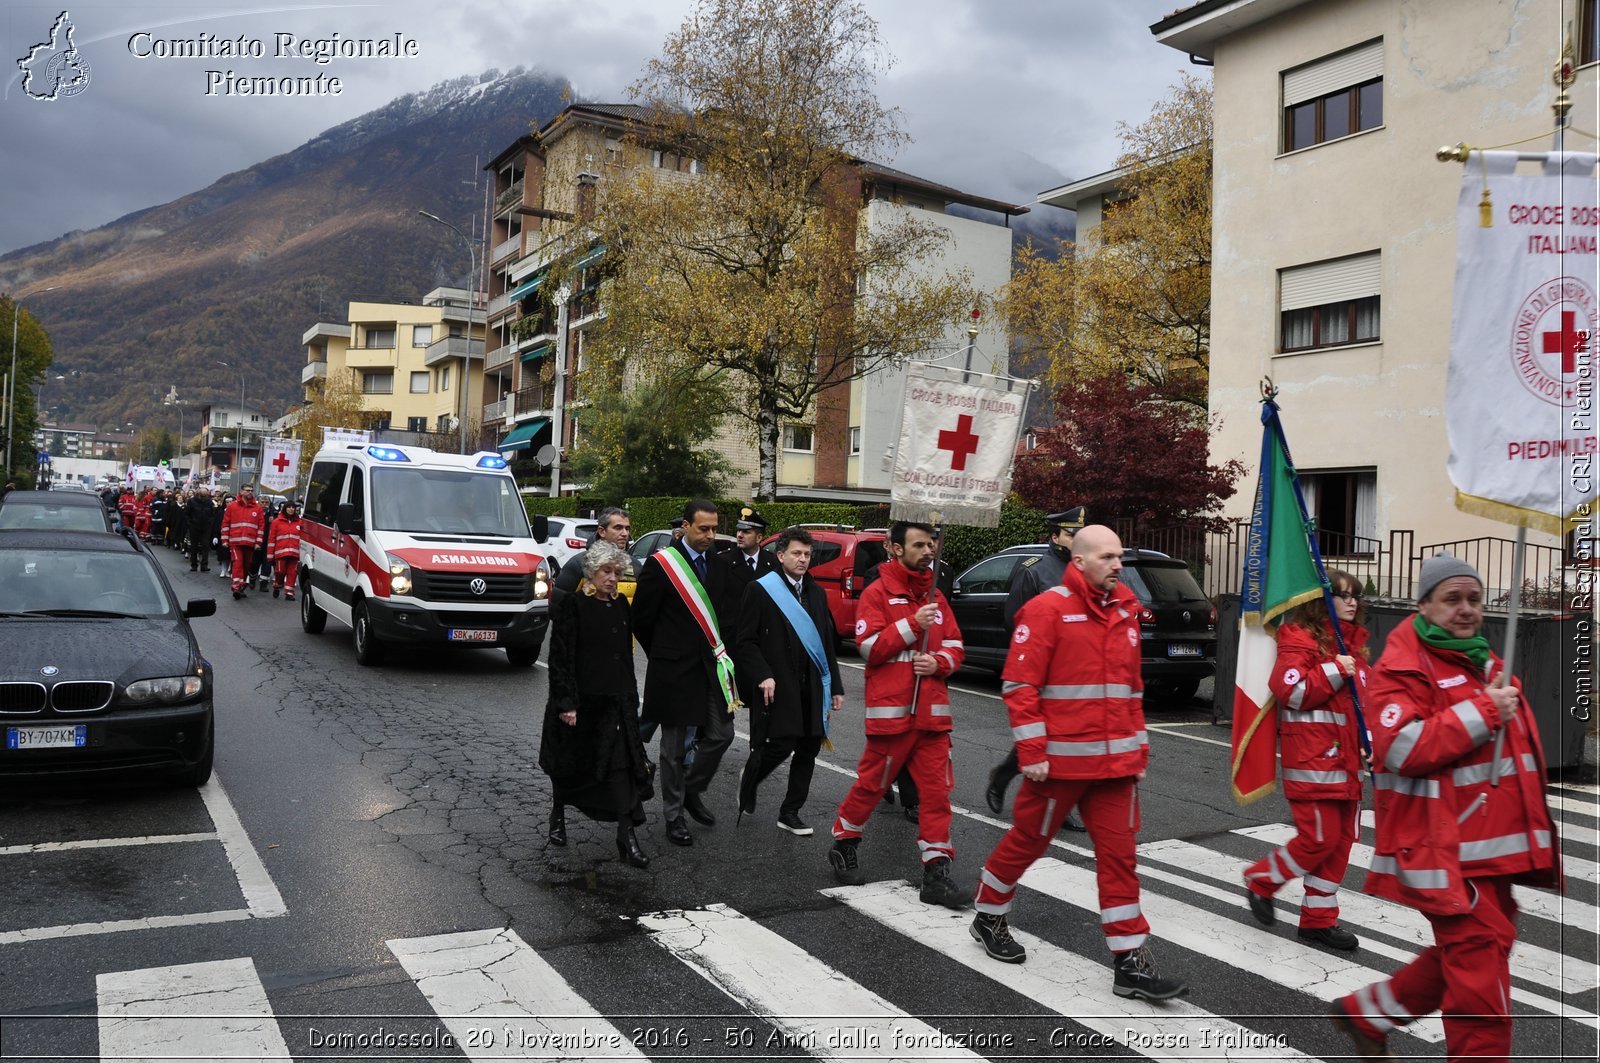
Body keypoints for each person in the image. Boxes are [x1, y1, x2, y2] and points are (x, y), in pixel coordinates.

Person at [1330, 553, 1560, 1062]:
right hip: (1444, 855)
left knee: (1477, 951)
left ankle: (1371, 1013)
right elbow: (1400, 749)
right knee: (1480, 987)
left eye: (1474, 600)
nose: (1465, 610)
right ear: (1424, 605)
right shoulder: (1402, 666)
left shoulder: (1482, 662)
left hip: (1489, 854)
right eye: (1452, 599)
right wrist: (1482, 712)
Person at [970, 525, 1189, 1002]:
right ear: (1080, 560)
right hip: (1060, 769)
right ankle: (988, 914)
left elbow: (1131, 691)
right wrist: (1032, 753)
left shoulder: (1126, 611)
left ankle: (1129, 961)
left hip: (1114, 770)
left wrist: (1138, 753)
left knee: (1121, 860)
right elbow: (1020, 686)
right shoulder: (1047, 610)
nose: (1118, 565)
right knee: (1027, 842)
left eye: (1119, 557)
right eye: (1108, 557)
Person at [827, 520, 970, 908]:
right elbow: (869, 648)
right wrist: (911, 625)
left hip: (932, 718)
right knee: (872, 787)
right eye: (920, 545)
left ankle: (936, 872)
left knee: (937, 795)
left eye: (932, 545)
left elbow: (956, 645)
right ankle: (845, 840)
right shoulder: (877, 592)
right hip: (893, 717)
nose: (929, 551)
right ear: (895, 548)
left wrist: (940, 661)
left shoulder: (936, 595)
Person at [1242, 567, 1369, 950]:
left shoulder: (1354, 645)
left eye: (1355, 596)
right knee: (1319, 839)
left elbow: (1367, 706)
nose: (1351, 602)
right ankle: (1262, 880)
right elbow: (1289, 691)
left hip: (1347, 764)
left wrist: (1372, 742)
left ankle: (1318, 920)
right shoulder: (1299, 638)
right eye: (1342, 595)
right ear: (1320, 600)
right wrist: (1333, 669)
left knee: (1342, 841)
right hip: (1313, 762)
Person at [539, 541, 655, 868]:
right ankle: (557, 815)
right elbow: (560, 659)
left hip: (615, 704)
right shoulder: (573, 606)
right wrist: (566, 704)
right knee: (568, 768)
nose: (612, 578)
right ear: (591, 572)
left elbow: (625, 660)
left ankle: (626, 836)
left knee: (621, 769)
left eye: (617, 572)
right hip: (580, 704)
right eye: (606, 571)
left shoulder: (620, 606)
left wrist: (630, 701)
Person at [633, 499, 737, 847]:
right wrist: (663, 656)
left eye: (714, 528)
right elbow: (642, 619)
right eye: (703, 529)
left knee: (722, 733)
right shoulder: (662, 565)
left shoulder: (720, 566)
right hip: (674, 670)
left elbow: (725, 617)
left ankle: (692, 789)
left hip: (710, 668)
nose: (710, 535)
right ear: (686, 527)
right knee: (673, 749)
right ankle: (674, 816)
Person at [732, 526, 844, 835]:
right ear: (780, 556)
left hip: (813, 683)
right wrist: (763, 674)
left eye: (807, 554)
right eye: (796, 553)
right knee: (781, 743)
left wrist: (835, 686)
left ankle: (790, 811)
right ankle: (750, 778)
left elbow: (825, 643)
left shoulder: (817, 593)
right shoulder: (761, 589)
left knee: (809, 748)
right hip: (779, 682)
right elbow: (746, 641)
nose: (803, 559)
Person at [985, 506, 1088, 831]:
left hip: (1074, 671)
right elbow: (1014, 620)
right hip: (1042, 670)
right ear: (1056, 536)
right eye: (1071, 533)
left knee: (1064, 736)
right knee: (1047, 735)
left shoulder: (1085, 570)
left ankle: (1054, 803)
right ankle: (1005, 777)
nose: (1077, 539)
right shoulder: (1035, 571)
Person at [554, 507, 632, 603]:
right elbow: (558, 606)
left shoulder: (635, 566)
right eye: (618, 528)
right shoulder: (579, 564)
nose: (625, 533)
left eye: (627, 529)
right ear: (602, 531)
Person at [221, 485, 266, 600]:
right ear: (241, 492)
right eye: (247, 490)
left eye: (251, 490)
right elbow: (226, 524)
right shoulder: (232, 506)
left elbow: (261, 527)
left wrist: (258, 542)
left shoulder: (257, 508)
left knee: (246, 567)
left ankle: (241, 587)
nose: (250, 492)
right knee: (237, 563)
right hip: (235, 542)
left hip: (250, 544)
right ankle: (236, 586)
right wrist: (225, 540)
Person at [720, 506, 779, 593]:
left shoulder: (773, 561)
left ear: (759, 538)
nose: (739, 535)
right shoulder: (724, 560)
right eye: (739, 530)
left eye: (746, 532)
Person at [267, 501, 303, 599]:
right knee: (280, 571)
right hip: (281, 552)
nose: (291, 509)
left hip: (295, 553)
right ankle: (278, 584)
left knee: (292, 573)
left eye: (293, 507)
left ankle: (289, 593)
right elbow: (271, 539)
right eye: (289, 507)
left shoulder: (300, 522)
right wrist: (270, 554)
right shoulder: (276, 522)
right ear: (285, 508)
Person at [184, 487, 215, 572]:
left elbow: (213, 514)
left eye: (205, 496)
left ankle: (204, 565)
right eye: (202, 496)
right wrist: (189, 524)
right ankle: (194, 565)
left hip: (206, 527)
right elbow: (187, 513)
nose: (204, 498)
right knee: (194, 546)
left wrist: (210, 523)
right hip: (194, 526)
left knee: (205, 546)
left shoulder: (209, 502)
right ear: (198, 495)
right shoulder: (191, 501)